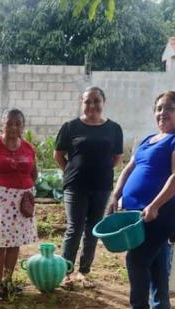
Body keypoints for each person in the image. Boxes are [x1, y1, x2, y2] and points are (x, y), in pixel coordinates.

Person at [109, 91, 175, 309]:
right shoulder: (149, 139)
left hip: (164, 211)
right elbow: (129, 169)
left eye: (169, 108)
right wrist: (116, 194)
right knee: (157, 261)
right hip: (139, 212)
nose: (162, 112)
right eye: (159, 108)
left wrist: (155, 205)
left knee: (137, 258)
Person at [53, 87, 123, 289]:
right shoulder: (71, 127)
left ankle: (83, 272)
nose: (92, 105)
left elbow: (117, 157)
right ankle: (66, 273)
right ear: (81, 103)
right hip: (75, 186)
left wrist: (100, 170)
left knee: (93, 230)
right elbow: (58, 154)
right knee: (75, 228)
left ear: (103, 102)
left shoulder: (114, 128)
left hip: (101, 186)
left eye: (96, 101)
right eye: (88, 101)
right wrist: (70, 171)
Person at [0, 108, 39, 301]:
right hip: (0, 201)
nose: (13, 127)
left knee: (15, 242)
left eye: (18, 123)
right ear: (2, 124)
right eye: (9, 123)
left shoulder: (28, 147)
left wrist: (25, 191)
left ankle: (8, 280)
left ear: (23, 126)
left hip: (22, 202)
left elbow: (34, 173)